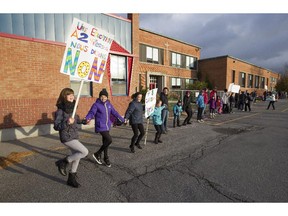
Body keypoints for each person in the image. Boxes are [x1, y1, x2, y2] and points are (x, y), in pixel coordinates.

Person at [54, 88, 89, 188]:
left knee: (77, 156)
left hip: (74, 135)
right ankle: (63, 162)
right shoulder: (60, 110)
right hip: (67, 137)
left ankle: (71, 178)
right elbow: (56, 126)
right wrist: (67, 122)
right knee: (84, 152)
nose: (72, 96)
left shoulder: (73, 108)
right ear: (64, 96)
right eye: (69, 94)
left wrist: (84, 121)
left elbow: (76, 119)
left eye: (73, 94)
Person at [85, 89, 125, 168]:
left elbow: (114, 112)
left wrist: (122, 119)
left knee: (105, 142)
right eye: (102, 96)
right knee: (109, 140)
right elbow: (91, 112)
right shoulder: (96, 105)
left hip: (107, 126)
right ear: (100, 97)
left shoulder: (109, 104)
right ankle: (97, 153)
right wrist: (88, 118)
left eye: (105, 96)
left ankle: (106, 158)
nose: (103, 98)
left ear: (107, 97)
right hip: (100, 126)